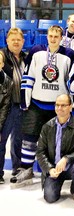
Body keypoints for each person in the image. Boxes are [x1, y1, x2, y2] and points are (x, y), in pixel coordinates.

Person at [10, 25, 74, 187]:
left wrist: (70, 105)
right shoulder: (36, 51)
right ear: (47, 36)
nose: (53, 38)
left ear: (61, 38)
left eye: (56, 36)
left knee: (55, 140)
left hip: (58, 107)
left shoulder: (69, 54)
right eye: (50, 35)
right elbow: (28, 77)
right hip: (36, 104)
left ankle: (53, 170)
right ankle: (26, 169)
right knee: (29, 137)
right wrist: (26, 100)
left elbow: (72, 82)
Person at [36, 94, 74, 203]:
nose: (59, 108)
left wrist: (66, 159)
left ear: (71, 107)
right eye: (57, 105)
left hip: (72, 167)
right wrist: (49, 169)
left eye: (63, 105)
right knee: (50, 197)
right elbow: (40, 151)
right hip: (54, 169)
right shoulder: (47, 127)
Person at [0, 28, 26, 179]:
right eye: (13, 39)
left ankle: (17, 169)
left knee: (18, 140)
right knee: (2, 140)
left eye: (18, 39)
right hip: (7, 106)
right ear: (7, 41)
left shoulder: (26, 57)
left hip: (22, 106)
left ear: (23, 42)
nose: (16, 42)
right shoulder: (3, 55)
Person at [0, 51, 13, 184]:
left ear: (2, 64)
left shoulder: (8, 82)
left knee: (1, 142)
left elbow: (4, 107)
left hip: (1, 116)